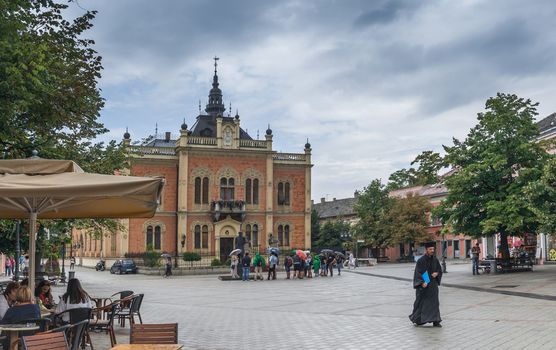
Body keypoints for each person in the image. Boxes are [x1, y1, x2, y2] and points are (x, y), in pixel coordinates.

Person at [409, 242, 443, 327]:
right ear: (426, 250)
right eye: (430, 249)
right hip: (424, 286)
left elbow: (439, 269)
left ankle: (436, 320)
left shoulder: (435, 259)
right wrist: (423, 282)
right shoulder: (421, 260)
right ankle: (418, 319)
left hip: (433, 285)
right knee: (421, 303)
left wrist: (437, 273)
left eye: (433, 249)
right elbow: (419, 272)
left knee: (434, 303)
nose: (432, 251)